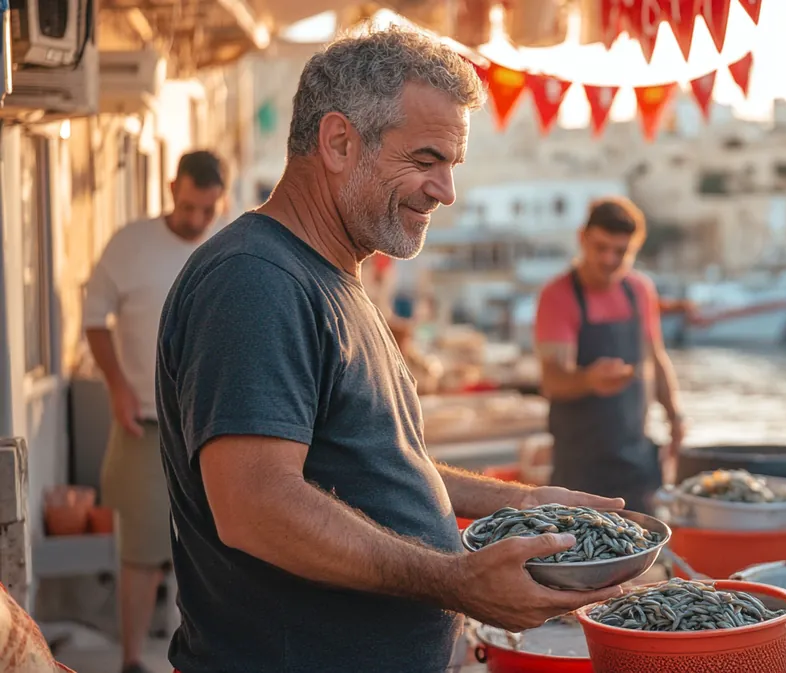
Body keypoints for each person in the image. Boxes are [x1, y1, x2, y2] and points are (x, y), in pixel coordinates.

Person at [154, 27, 623, 673]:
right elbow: (256, 505)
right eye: (427, 158)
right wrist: (458, 581)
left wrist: (516, 503)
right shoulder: (256, 280)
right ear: (340, 141)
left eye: (453, 165)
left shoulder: (329, 272)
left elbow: (368, 459)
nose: (445, 190)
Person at [82, 150, 228, 673]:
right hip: (142, 422)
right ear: (172, 188)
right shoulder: (131, 244)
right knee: (140, 551)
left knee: (218, 552)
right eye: (188, 207)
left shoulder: (230, 242)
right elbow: (94, 316)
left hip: (215, 427)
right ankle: (129, 661)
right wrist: (116, 385)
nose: (196, 220)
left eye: (206, 211)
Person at [533, 197, 687, 514]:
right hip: (579, 468)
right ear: (582, 238)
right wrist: (589, 380)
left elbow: (655, 358)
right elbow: (552, 380)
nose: (608, 259)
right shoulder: (558, 295)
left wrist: (675, 416)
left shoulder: (640, 289)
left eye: (621, 252)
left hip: (636, 459)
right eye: (600, 247)